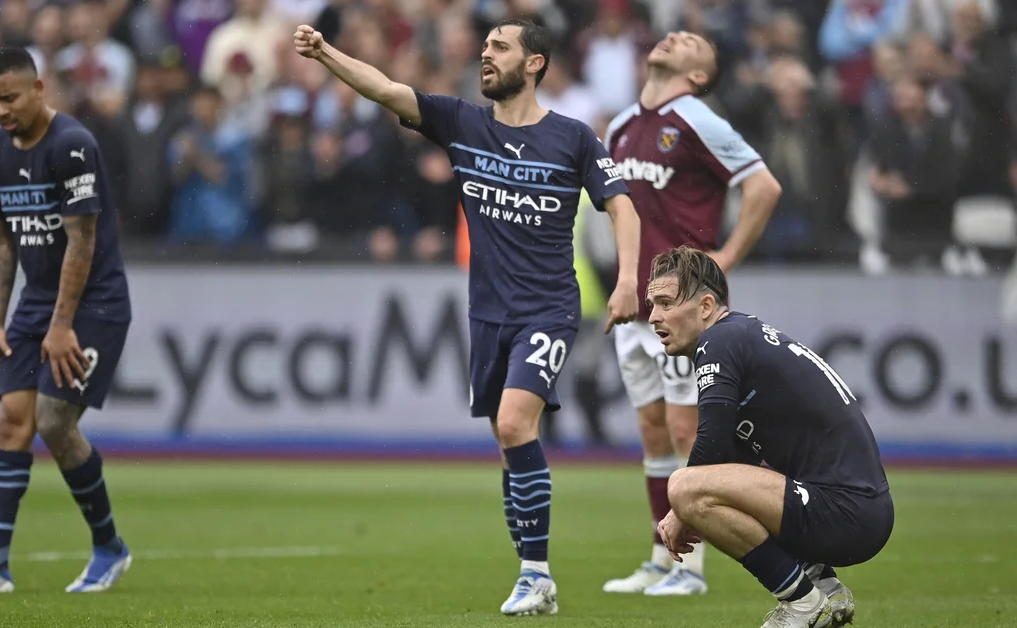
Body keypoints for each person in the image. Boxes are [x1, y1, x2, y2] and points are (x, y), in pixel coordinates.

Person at [294, 18, 642, 616]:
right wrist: (326, 53)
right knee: (511, 444)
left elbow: (623, 206)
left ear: (534, 63)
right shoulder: (462, 122)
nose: (486, 55)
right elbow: (383, 88)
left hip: (549, 308)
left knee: (513, 424)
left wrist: (631, 278)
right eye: (483, 47)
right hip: (488, 315)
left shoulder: (574, 138)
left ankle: (536, 574)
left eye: (500, 48)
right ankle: (531, 568)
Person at [0, 48, 133, 594]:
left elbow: (81, 240)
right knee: (10, 422)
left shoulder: (72, 146)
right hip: (34, 304)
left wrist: (61, 325)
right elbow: (0, 240)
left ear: (39, 89)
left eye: (10, 97)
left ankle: (110, 548)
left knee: (52, 422)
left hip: (95, 303)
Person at [601, 31, 782, 596]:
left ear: (700, 74)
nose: (674, 35)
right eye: (673, 33)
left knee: (686, 429)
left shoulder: (697, 118)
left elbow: (763, 186)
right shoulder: (622, 125)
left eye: (691, 42)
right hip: (635, 300)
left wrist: (725, 256)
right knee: (653, 432)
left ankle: (691, 569)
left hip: (682, 307)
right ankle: (661, 556)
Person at [648, 245, 893, 627]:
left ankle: (800, 603)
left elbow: (710, 442)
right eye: (652, 305)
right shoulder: (741, 335)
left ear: (707, 306)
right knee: (710, 481)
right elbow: (732, 455)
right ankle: (823, 585)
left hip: (845, 511)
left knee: (684, 486)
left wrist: (679, 511)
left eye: (665, 303)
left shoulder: (719, 342)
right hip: (856, 510)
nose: (653, 317)